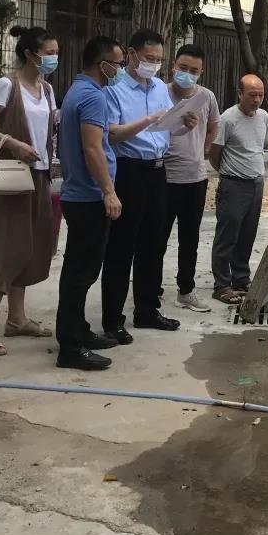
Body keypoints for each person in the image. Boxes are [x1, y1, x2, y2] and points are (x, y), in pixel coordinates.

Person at [55, 35, 158, 370]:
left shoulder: (78, 90)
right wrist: (109, 191)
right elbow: (92, 148)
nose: (120, 69)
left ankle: (79, 331)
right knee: (79, 274)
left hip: (81, 193)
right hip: (88, 196)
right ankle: (70, 347)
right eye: (117, 63)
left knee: (81, 271)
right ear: (103, 65)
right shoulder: (93, 97)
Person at [0, 26, 59, 356]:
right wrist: (11, 142)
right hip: (14, 177)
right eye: (49, 53)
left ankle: (17, 319)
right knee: (5, 248)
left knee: (31, 246)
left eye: (56, 53)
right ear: (30, 55)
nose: (54, 58)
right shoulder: (8, 85)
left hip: (40, 176)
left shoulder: (47, 89)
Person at [100, 28, 180, 344]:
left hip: (158, 170)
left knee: (153, 244)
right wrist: (147, 121)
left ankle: (147, 309)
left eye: (159, 59)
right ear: (131, 54)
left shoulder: (160, 87)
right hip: (128, 171)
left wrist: (183, 124)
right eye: (149, 58)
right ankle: (112, 320)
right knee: (121, 248)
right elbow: (112, 134)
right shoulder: (114, 89)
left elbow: (166, 128)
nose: (154, 64)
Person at [162, 44, 220, 312]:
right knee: (156, 238)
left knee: (189, 239)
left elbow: (214, 125)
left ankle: (185, 291)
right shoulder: (159, 93)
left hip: (195, 178)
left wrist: (203, 150)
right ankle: (151, 289)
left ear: (201, 72)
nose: (187, 74)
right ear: (173, 65)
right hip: (163, 177)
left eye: (194, 70)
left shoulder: (206, 97)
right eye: (183, 68)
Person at [209, 74, 268, 305]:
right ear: (240, 94)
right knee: (227, 235)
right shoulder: (228, 118)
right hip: (233, 184)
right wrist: (227, 172)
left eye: (260, 95)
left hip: (256, 184)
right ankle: (221, 285)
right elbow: (215, 153)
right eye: (251, 95)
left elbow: (260, 145)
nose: (256, 100)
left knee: (247, 233)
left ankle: (241, 278)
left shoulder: (264, 117)